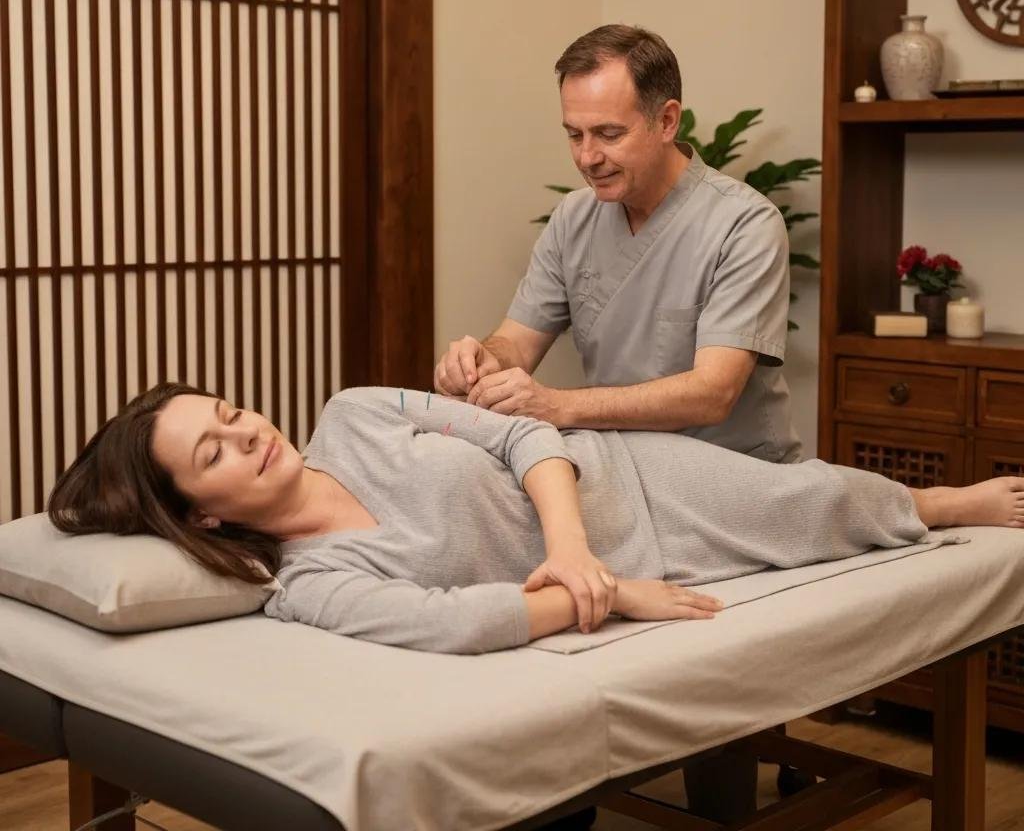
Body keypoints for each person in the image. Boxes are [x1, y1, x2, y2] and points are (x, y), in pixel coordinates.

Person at [50, 382, 1024, 655]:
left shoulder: (350, 412)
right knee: (793, 517)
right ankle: (921, 507)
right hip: (604, 572)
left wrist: (569, 551)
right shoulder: (310, 585)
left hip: (612, 479)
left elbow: (522, 437)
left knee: (806, 496)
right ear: (202, 518)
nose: (247, 433)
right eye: (214, 453)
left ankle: (941, 503)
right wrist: (600, 597)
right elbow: (452, 621)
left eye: (230, 413)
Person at [434, 24, 802, 463]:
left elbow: (713, 394)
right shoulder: (574, 218)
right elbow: (516, 344)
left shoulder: (744, 224)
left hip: (734, 471)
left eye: (608, 134)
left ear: (666, 121)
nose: (587, 157)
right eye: (575, 134)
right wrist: (485, 360)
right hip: (622, 467)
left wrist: (557, 406)